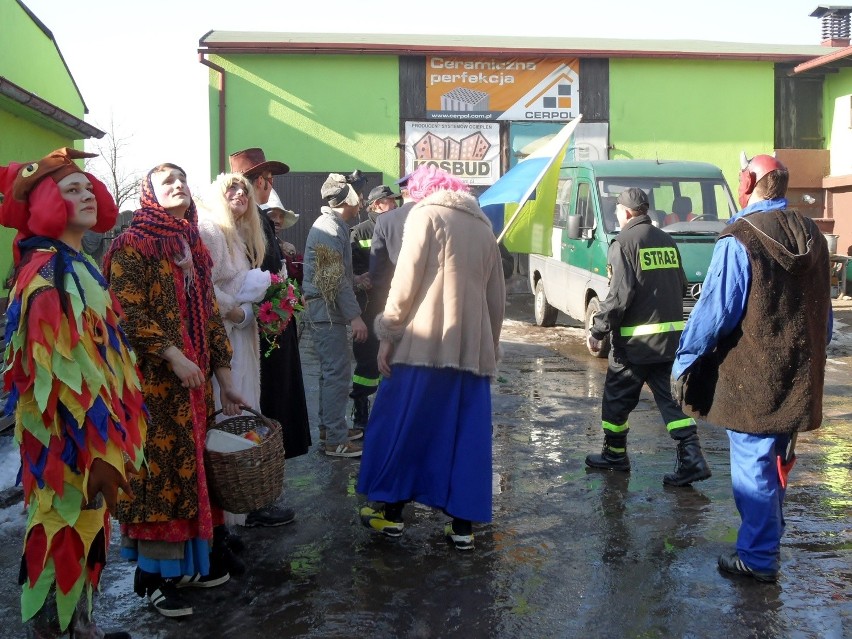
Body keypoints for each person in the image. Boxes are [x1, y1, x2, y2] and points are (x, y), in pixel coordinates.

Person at [0, 147, 147, 639]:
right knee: (62, 525)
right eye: (71, 190)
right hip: (69, 437)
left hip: (94, 430)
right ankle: (54, 631)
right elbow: (52, 374)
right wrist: (87, 444)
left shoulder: (77, 262)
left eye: (88, 188)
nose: (85, 195)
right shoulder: (47, 273)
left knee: (88, 524)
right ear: (47, 202)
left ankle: (80, 624)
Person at [672, 153, 832, 583]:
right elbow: (824, 312)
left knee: (754, 468)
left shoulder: (740, 238)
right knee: (777, 461)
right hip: (799, 375)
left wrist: (684, 362)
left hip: (754, 379)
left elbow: (714, 313)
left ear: (747, 184)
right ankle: (767, 541)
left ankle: (758, 558)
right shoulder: (813, 235)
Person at [103, 163, 246, 619]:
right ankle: (151, 578)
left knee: (191, 475)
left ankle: (186, 567)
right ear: (149, 193)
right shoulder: (133, 243)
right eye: (167, 182)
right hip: (154, 386)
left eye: (182, 179)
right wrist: (173, 355)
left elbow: (208, 314)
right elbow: (125, 310)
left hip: (195, 385)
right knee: (159, 477)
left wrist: (224, 375)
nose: (178, 186)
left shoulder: (191, 246)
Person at [357, 165, 506, 551]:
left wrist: (387, 332)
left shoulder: (426, 215)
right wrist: (491, 344)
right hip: (471, 352)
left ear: (423, 191)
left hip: (424, 344)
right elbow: (497, 300)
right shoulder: (484, 227)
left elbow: (404, 282)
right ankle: (462, 528)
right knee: (465, 436)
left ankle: (389, 515)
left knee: (401, 425)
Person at [585, 187, 711, 487]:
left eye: (617, 210)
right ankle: (692, 459)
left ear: (627, 212)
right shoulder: (667, 241)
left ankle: (615, 456)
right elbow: (680, 285)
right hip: (668, 342)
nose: (617, 214)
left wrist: (598, 329)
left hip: (634, 346)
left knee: (615, 402)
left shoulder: (623, 243)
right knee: (671, 404)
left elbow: (619, 296)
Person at [229, 148, 310, 527]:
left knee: (274, 404)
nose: (269, 184)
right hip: (258, 329)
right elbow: (245, 276)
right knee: (265, 406)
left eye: (270, 179)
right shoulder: (244, 221)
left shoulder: (259, 219)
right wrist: (274, 295)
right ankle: (256, 497)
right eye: (264, 178)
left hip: (271, 324)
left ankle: (262, 490)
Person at [302, 173, 369, 457]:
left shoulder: (333, 224)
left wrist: (357, 280)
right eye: (359, 197)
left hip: (324, 308)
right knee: (337, 374)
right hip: (326, 311)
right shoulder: (329, 227)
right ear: (348, 199)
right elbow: (333, 279)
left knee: (331, 374)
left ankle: (332, 429)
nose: (361, 202)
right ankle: (335, 441)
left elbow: (335, 275)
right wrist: (355, 316)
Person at [348, 185, 402, 429]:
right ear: (377, 205)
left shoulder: (399, 226)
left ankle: (387, 412)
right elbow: (351, 268)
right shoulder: (359, 232)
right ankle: (360, 409)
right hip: (369, 306)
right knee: (367, 360)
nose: (395, 204)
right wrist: (362, 277)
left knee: (392, 359)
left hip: (394, 302)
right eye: (390, 201)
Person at [260, 188, 302, 284]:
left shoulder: (282, 245)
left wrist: (293, 258)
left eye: (281, 216)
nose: (278, 221)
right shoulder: (255, 243)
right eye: (273, 215)